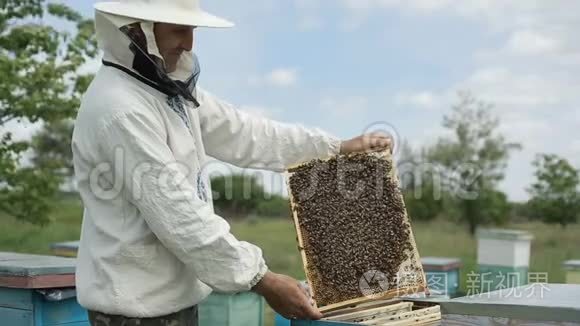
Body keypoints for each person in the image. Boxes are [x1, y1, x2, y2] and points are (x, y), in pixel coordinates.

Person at [72, 1, 392, 325]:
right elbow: (178, 214)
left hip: (173, 303)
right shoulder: (120, 109)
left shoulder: (166, 91)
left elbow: (247, 133)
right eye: (178, 30)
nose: (189, 43)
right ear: (135, 31)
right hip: (134, 313)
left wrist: (335, 147)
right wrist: (262, 279)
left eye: (192, 30)